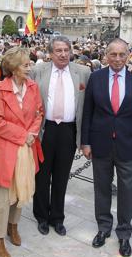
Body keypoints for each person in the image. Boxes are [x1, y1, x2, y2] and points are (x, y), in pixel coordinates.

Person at [81, 38, 132, 257]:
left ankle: (124, 233)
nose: (118, 59)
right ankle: (103, 228)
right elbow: (88, 111)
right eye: (114, 54)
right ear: (106, 55)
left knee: (127, 190)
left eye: (122, 54)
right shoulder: (96, 78)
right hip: (100, 142)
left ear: (129, 55)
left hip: (130, 144)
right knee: (101, 188)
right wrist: (85, 141)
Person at [0, 46, 44, 257]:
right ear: (13, 67)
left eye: (29, 64)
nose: (29, 68)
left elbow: (39, 112)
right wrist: (23, 135)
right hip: (5, 148)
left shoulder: (33, 87)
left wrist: (32, 133)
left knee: (21, 191)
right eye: (25, 65)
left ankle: (13, 227)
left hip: (27, 147)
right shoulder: (0, 89)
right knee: (3, 197)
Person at [30, 36, 91, 236]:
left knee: (61, 176)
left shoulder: (83, 72)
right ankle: (41, 216)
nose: (63, 54)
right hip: (44, 129)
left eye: (66, 50)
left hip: (68, 130)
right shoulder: (38, 71)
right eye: (58, 50)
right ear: (50, 53)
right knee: (42, 175)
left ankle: (57, 217)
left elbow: (90, 102)